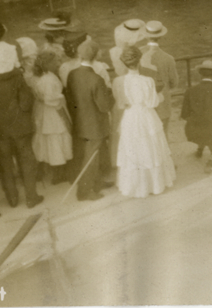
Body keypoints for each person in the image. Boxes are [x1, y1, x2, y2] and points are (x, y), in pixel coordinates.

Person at [0, 37, 43, 208]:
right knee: (27, 160)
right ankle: (31, 197)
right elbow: (27, 102)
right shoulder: (17, 77)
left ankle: (12, 199)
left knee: (5, 164)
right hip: (20, 127)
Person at [116, 46, 176, 197]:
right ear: (139, 60)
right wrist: (161, 95)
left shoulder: (118, 81)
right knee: (151, 148)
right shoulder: (147, 80)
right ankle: (154, 185)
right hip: (145, 116)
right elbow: (153, 103)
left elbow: (120, 104)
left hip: (130, 116)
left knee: (133, 148)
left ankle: (135, 186)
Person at [64, 39, 114, 201]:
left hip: (80, 121)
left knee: (88, 155)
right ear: (94, 57)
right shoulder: (97, 79)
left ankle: (96, 183)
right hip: (95, 125)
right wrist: (110, 93)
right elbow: (105, 106)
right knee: (91, 159)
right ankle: (84, 192)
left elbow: (70, 98)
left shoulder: (72, 74)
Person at [30, 50, 73, 184]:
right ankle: (57, 175)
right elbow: (53, 102)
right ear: (47, 64)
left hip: (45, 111)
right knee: (56, 139)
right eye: (56, 61)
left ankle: (50, 172)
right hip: (53, 113)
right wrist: (65, 118)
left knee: (48, 141)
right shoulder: (49, 79)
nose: (58, 63)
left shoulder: (45, 76)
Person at [139, 20, 178, 134]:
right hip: (162, 104)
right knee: (162, 134)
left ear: (146, 36)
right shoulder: (168, 58)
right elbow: (174, 82)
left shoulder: (138, 54)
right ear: (160, 37)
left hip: (143, 103)